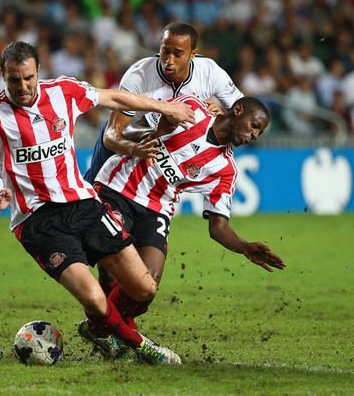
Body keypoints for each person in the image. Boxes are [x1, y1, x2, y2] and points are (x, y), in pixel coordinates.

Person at [0, 41, 196, 365]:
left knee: (143, 288)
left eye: (29, 78)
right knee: (92, 296)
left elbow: (114, 97)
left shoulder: (63, 91)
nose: (23, 87)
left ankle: (101, 330)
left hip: (84, 204)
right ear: (2, 76)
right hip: (38, 221)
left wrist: (164, 108)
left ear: (38, 72)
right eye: (14, 80)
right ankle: (143, 348)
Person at [79, 94, 285, 356]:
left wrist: (244, 247)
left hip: (157, 208)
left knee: (146, 287)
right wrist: (156, 130)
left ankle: (99, 327)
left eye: (260, 132)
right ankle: (111, 332)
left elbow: (218, 227)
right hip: (118, 187)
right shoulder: (192, 110)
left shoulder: (226, 170)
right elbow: (128, 130)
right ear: (238, 110)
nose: (255, 134)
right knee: (114, 266)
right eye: (254, 125)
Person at [83, 21, 244, 183]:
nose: (169, 60)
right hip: (128, 142)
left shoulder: (210, 73)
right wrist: (135, 149)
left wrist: (223, 114)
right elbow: (110, 137)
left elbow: (245, 111)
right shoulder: (139, 76)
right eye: (165, 51)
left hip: (166, 148)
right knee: (92, 191)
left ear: (193, 54)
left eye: (178, 54)